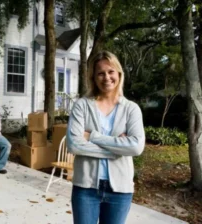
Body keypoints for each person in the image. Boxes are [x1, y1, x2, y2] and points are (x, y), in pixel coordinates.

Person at [66, 50, 145, 224]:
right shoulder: (82, 106)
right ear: (93, 77)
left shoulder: (131, 109)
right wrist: (118, 149)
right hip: (85, 189)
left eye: (111, 72)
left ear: (119, 74)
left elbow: (136, 147)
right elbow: (74, 145)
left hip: (120, 190)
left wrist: (92, 136)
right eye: (100, 73)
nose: (106, 77)